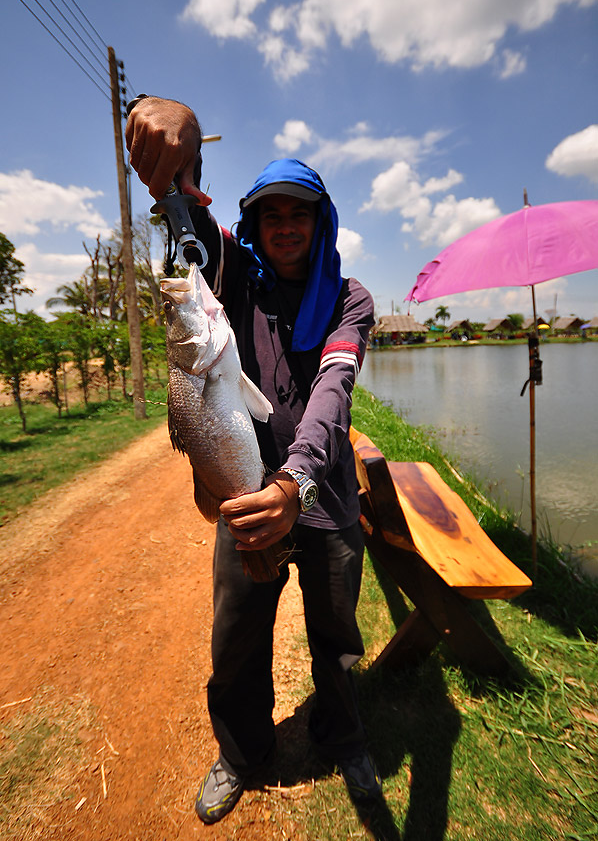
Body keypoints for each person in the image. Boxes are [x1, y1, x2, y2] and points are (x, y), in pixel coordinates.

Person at [125, 96, 381, 824]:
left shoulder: (350, 301)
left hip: (324, 500)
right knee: (235, 641)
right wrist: (174, 128)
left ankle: (346, 738)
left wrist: (296, 482)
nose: (287, 227)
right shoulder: (230, 282)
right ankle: (242, 754)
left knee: (336, 642)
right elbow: (187, 225)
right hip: (243, 502)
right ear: (256, 225)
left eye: (299, 213)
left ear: (320, 221)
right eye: (272, 215)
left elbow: (333, 394)